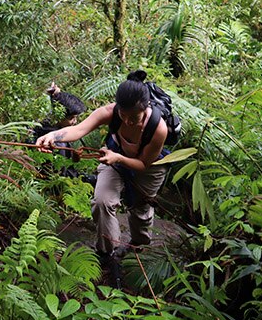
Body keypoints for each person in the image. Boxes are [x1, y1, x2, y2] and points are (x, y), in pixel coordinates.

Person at [35, 78, 168, 287]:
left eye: (135, 118)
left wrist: (119, 158)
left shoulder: (158, 128)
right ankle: (108, 251)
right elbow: (78, 130)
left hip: (148, 167)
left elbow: (142, 163)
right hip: (112, 158)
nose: (128, 122)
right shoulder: (110, 112)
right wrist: (53, 135)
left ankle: (138, 243)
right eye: (124, 116)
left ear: (146, 108)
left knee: (140, 207)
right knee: (102, 201)